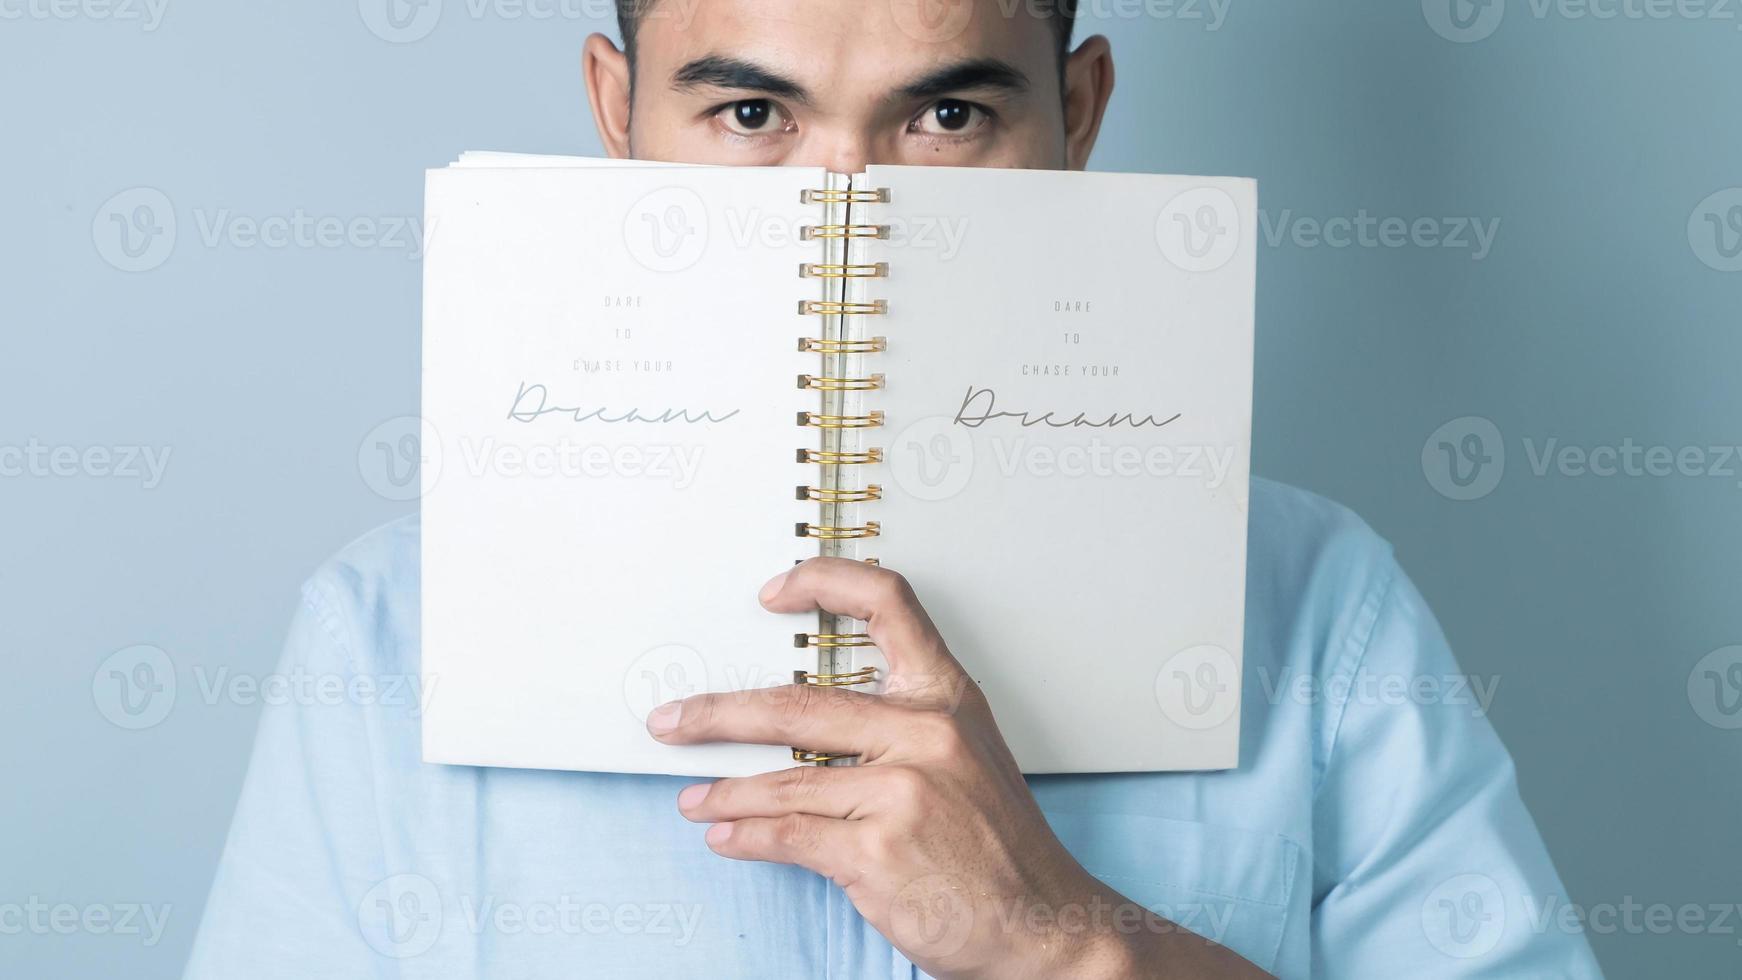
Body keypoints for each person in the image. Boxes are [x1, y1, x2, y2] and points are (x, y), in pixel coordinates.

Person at [185, 1, 1603, 976]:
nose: (843, 201)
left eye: (945, 115)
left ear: (1079, 112)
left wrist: (1068, 943)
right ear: (616, 116)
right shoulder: (386, 633)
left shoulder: (1313, 602)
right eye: (750, 112)